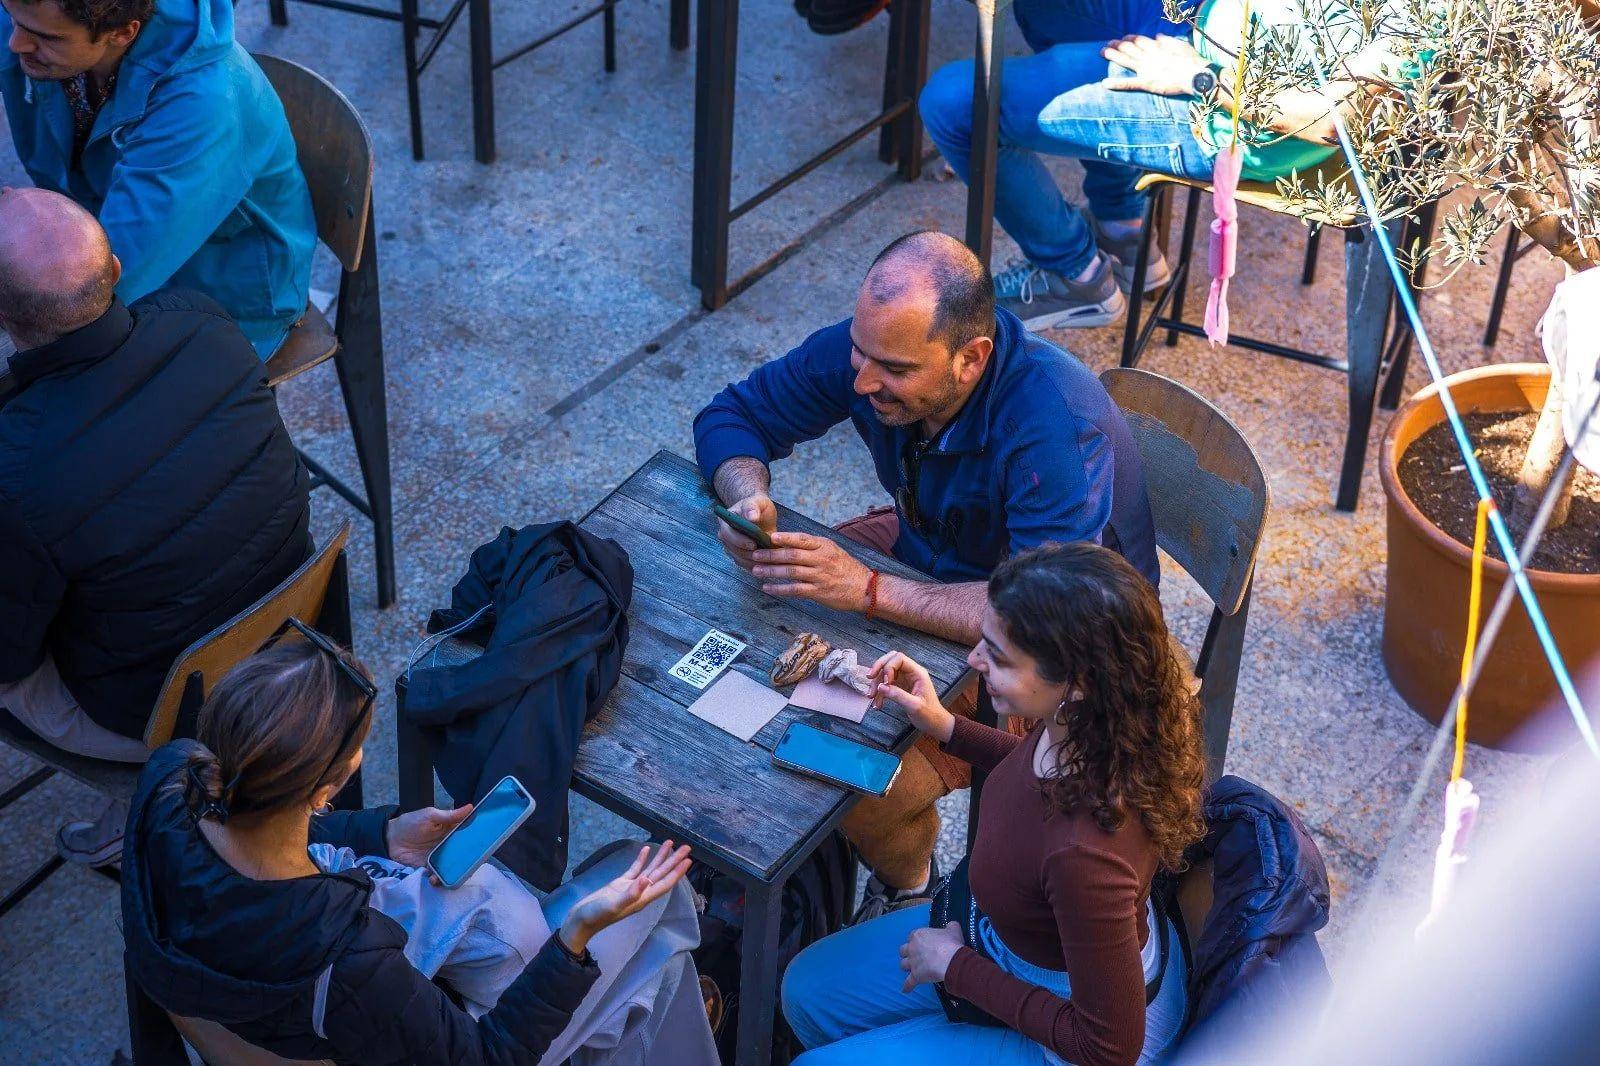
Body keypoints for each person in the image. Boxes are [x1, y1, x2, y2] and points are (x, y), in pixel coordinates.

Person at [693, 230, 1158, 917]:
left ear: (971, 359)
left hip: (1051, 651)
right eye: (859, 351)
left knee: (852, 778)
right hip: (932, 551)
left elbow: (1041, 615)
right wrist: (745, 497)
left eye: (893, 369)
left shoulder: (1054, 425)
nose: (860, 380)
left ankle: (909, 889)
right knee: (754, 621)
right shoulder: (879, 350)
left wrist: (871, 590)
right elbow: (732, 415)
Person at [123, 633, 720, 1064]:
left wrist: (379, 833)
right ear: (327, 787)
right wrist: (575, 938)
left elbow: (261, 830)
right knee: (661, 917)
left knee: (643, 984)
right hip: (382, 1029)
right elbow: (490, 1058)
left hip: (233, 1017)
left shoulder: (173, 782)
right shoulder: (351, 961)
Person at [782, 542, 1205, 1065]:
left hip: (1067, 1038)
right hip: (1002, 940)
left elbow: (1110, 1047)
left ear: (1075, 682)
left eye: (998, 657)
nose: (973, 660)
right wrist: (947, 728)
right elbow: (1031, 767)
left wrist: (956, 966)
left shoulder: (1087, 856)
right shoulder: (1083, 729)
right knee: (805, 991)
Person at [0, 187, 310, 864]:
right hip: (293, 636)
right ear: (114, 271)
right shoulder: (204, 322)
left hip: (167, 713)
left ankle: (157, 806)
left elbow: (9, 656)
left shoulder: (17, 469)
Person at [918, 0, 1359, 330]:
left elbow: (1337, 118)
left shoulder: (1420, 20)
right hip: (1210, 23)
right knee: (1046, 8)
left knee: (956, 104)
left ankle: (1074, 274)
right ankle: (1123, 231)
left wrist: (1199, 75)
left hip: (1226, 113)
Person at [0, 0, 315, 358]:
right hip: (102, 238)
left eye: (46, 38)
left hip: (220, 299)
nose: (15, 44)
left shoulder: (202, 104)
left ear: (123, 33)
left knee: (35, 386)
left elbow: (98, 289)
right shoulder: (32, 16)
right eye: (11, 18)